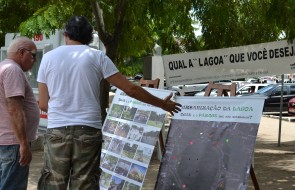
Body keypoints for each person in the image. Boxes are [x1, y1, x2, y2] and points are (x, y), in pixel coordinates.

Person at [37, 16, 181, 190]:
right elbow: (131, 89)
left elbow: (43, 104)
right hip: (88, 130)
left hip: (57, 129)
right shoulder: (97, 57)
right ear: (89, 37)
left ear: (65, 34)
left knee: (53, 183)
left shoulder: (48, 58)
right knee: (85, 183)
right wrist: (162, 104)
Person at [0, 37, 40, 190]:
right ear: (22, 52)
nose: (34, 60)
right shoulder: (12, 70)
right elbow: (14, 109)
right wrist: (23, 144)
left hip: (7, 142)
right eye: (33, 55)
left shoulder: (4, 67)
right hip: (13, 143)